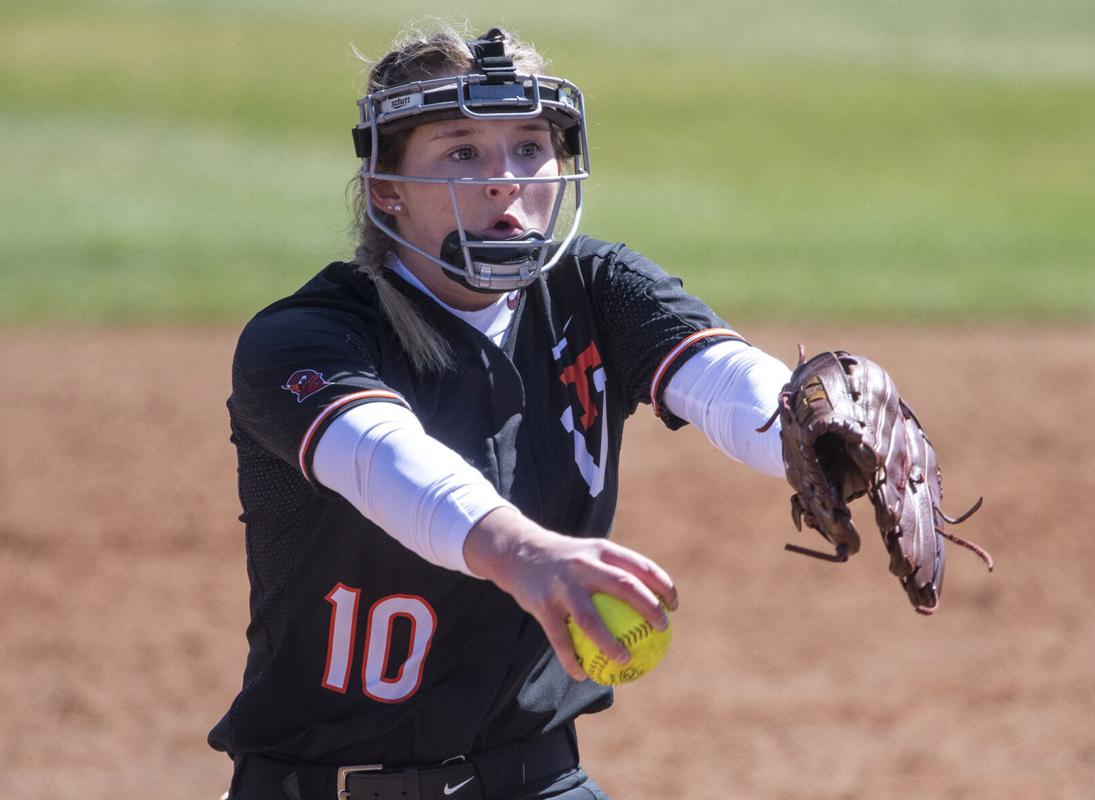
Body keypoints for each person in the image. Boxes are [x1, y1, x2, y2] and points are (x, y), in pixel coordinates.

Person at [211, 24, 795, 800]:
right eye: (462, 152)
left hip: (541, 782)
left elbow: (720, 378)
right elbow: (383, 458)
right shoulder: (306, 338)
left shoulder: (592, 291)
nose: (505, 182)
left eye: (529, 147)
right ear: (386, 188)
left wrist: (811, 427)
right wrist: (524, 554)